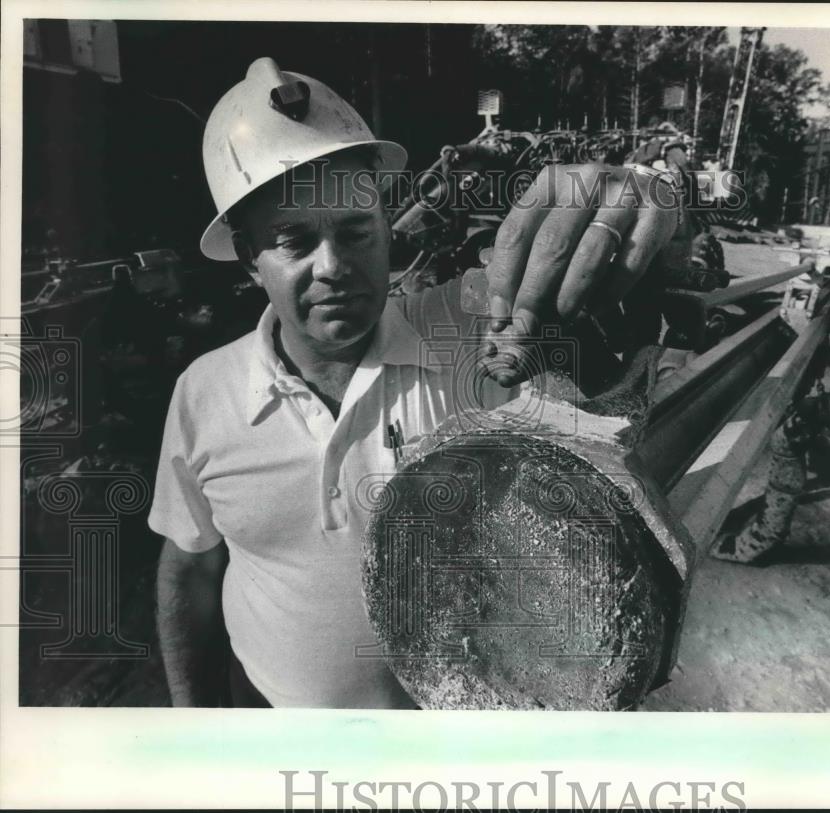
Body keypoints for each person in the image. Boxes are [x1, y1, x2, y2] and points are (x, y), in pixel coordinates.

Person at [149, 57, 681, 708]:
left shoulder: (468, 330)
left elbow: (613, 302)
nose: (334, 267)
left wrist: (642, 203)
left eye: (355, 230)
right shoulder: (204, 395)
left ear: (384, 221)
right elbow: (192, 568)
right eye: (294, 240)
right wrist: (195, 725)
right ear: (247, 258)